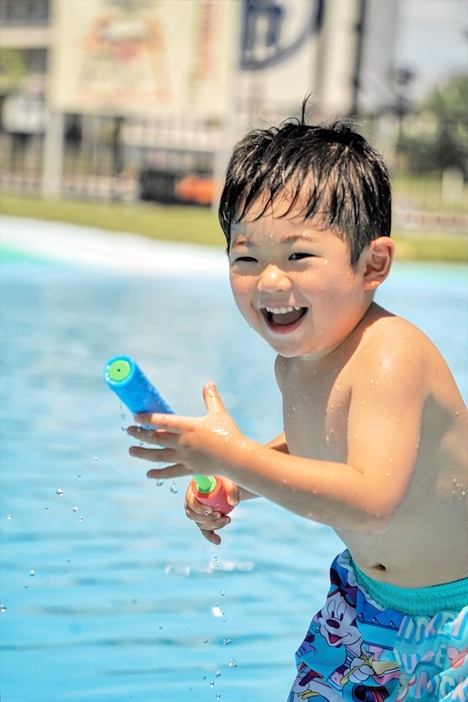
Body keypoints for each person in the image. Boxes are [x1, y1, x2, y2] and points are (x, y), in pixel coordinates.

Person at [127, 113, 468, 701]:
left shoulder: (390, 355)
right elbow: (325, 443)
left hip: (457, 618)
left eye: (299, 255)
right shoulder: (298, 362)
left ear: (372, 266)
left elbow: (371, 502)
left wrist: (231, 457)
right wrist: (241, 476)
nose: (270, 282)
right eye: (246, 257)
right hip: (365, 607)